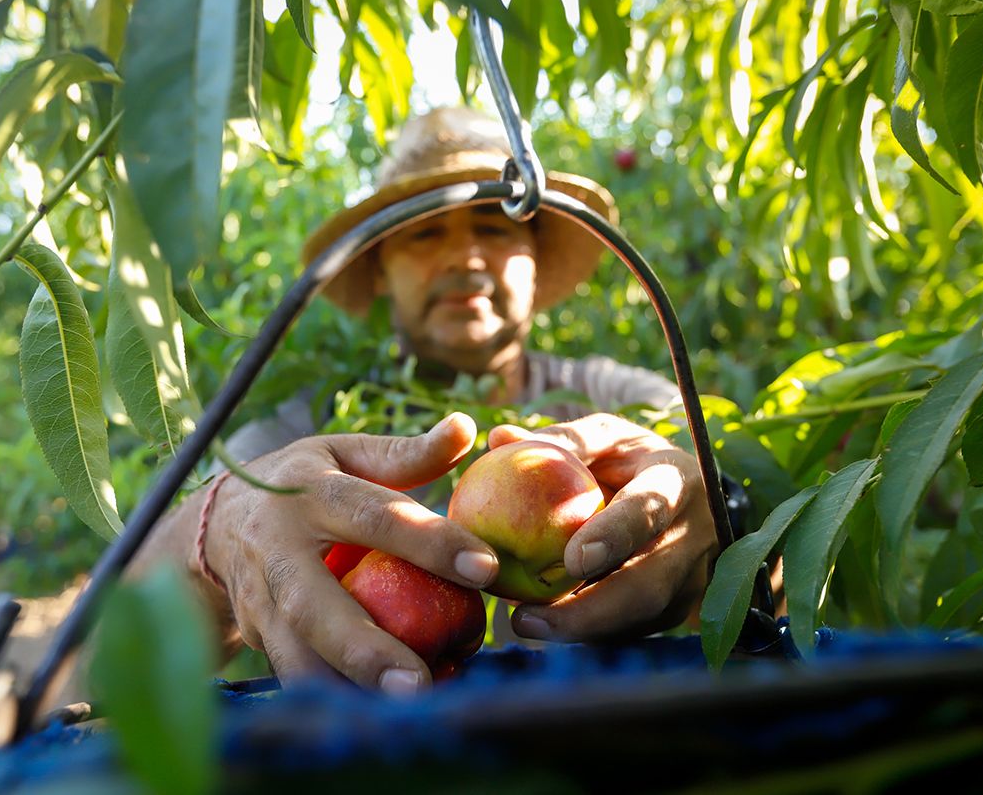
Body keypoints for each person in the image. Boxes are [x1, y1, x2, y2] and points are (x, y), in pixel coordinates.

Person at [137, 107, 719, 696]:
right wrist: (214, 539)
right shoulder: (293, 444)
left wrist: (723, 522)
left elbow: (771, 578)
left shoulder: (627, 407)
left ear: (534, 258)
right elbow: (99, 651)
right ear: (382, 266)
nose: (465, 257)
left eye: (494, 226)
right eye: (426, 230)